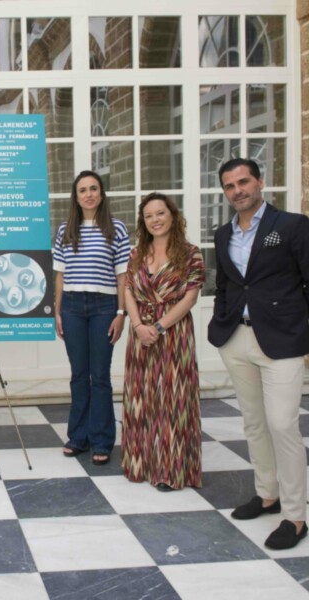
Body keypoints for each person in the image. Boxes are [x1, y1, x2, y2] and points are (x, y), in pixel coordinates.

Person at [209, 158, 309, 550]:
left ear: (260, 182)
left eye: (244, 181)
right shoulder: (223, 234)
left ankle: (296, 516)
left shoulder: (292, 226)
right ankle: (268, 494)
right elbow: (226, 284)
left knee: (283, 424)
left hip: (281, 340)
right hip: (237, 338)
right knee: (253, 422)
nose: (238, 190)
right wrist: (221, 321)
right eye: (230, 186)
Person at [121, 193, 205, 491]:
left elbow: (190, 298)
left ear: (172, 215)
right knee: (141, 398)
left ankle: (171, 469)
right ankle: (140, 464)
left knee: (172, 400)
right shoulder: (136, 253)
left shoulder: (191, 253)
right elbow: (128, 290)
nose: (155, 220)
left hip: (174, 334)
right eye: (149, 216)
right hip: (139, 334)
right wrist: (137, 326)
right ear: (142, 222)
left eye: (160, 213)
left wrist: (157, 327)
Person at [53, 170, 130, 466]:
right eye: (83, 190)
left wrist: (121, 313)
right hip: (72, 306)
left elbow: (122, 276)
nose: (88, 194)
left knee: (99, 375)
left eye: (93, 188)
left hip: (104, 307)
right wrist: (58, 311)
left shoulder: (116, 228)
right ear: (76, 196)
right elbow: (60, 275)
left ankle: (101, 439)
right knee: (78, 374)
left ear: (101, 193)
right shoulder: (65, 230)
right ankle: (78, 436)